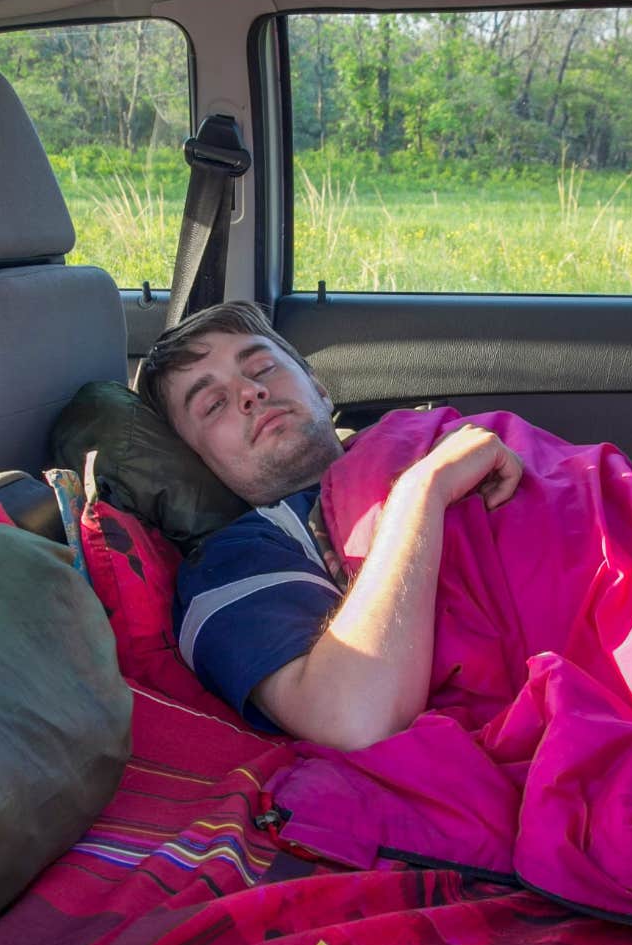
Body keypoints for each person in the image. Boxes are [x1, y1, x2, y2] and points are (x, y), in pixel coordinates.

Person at [138, 301, 522, 751]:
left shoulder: (423, 435)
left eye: (262, 368)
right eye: (214, 404)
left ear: (319, 388)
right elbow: (354, 717)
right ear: (196, 460)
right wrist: (423, 492)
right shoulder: (235, 562)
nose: (249, 392)